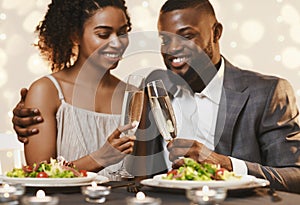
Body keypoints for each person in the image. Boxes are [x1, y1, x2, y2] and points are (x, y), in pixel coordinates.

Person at [12, 0, 300, 193]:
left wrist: (222, 163)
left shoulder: (267, 92)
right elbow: (38, 176)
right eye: (165, 40)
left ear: (216, 33)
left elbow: (294, 177)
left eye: (186, 36)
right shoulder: (151, 89)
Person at [12, 0, 138, 178]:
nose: (117, 43)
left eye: (123, 32)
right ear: (74, 35)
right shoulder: (47, 91)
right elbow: (40, 175)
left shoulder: (134, 95)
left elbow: (145, 177)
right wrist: (99, 158)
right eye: (103, 34)